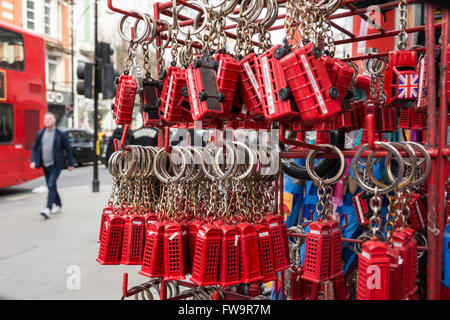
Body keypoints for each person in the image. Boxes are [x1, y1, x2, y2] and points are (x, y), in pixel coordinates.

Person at [30, 112, 74, 219]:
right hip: (45, 165)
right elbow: (35, 148)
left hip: (56, 164)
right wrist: (33, 160)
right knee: (52, 185)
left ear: (54, 120)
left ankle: (48, 208)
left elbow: (68, 149)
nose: (47, 121)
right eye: (45, 119)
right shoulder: (41, 133)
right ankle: (58, 204)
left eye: (49, 119)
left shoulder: (60, 134)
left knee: (51, 184)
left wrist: (70, 163)